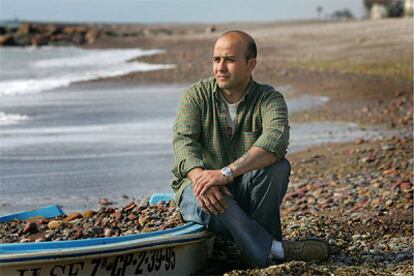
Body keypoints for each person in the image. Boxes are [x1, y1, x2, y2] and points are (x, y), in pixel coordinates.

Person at [171, 30, 329, 268]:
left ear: (250, 64)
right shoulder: (195, 96)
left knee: (278, 167)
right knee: (209, 195)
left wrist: (225, 173)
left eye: (230, 60)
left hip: (245, 187)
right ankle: (273, 250)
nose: (220, 68)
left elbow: (275, 141)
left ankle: (253, 246)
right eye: (216, 59)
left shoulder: (269, 98)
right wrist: (201, 178)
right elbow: (183, 142)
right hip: (199, 188)